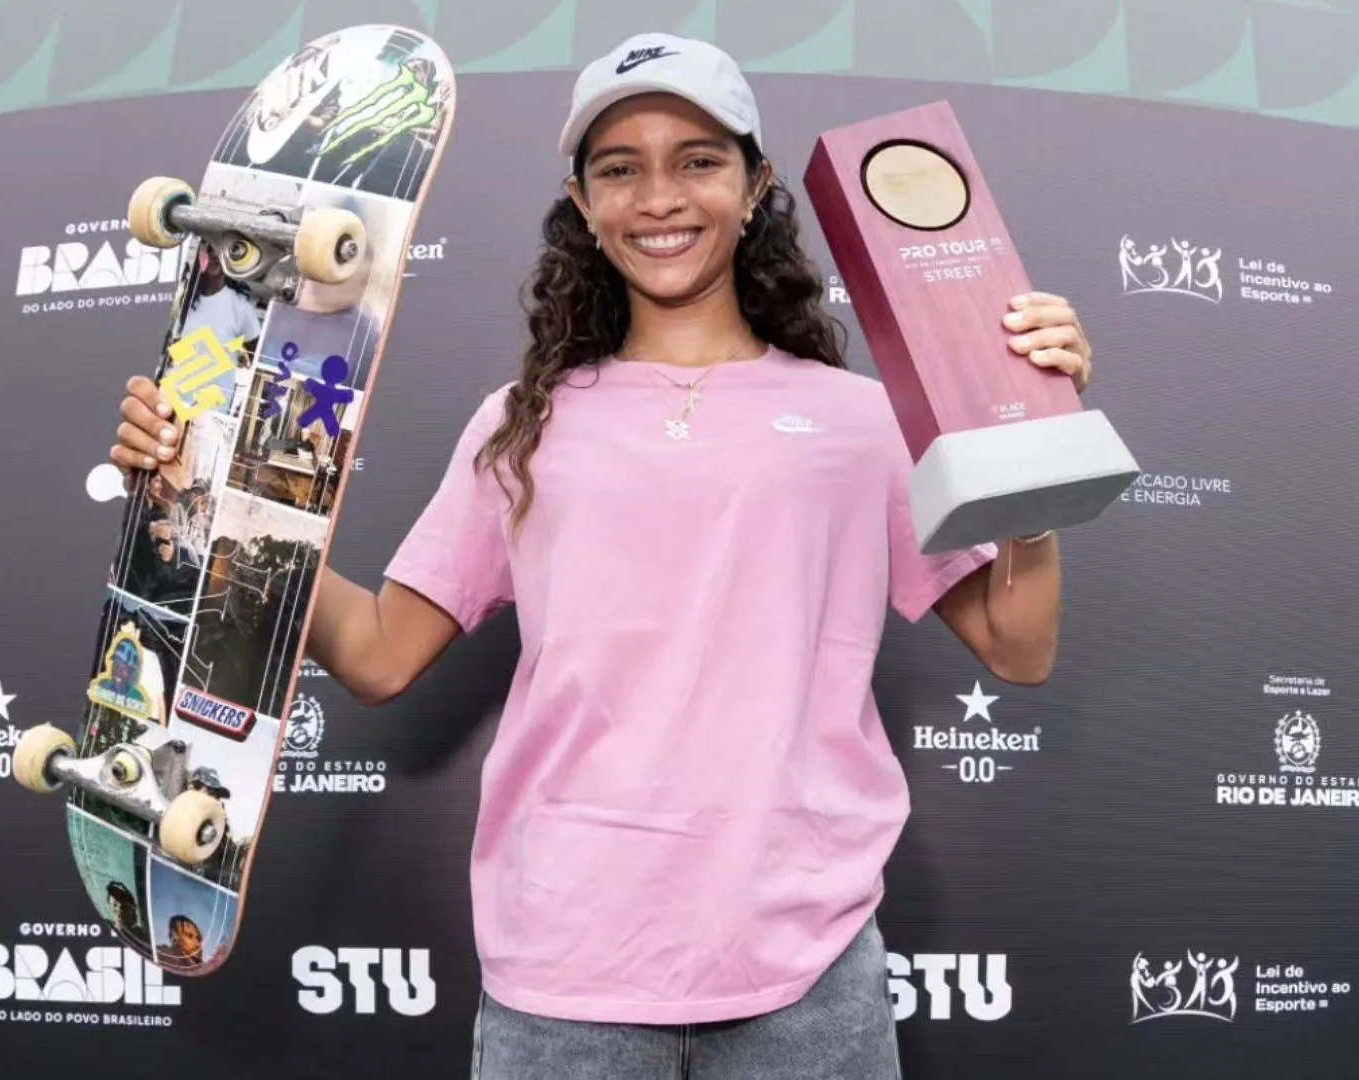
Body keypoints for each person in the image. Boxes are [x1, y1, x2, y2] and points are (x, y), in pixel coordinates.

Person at [109, 32, 1094, 1079]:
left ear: (756, 186)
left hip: (807, 977)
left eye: (698, 161)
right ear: (582, 203)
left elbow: (1019, 646)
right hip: (563, 977)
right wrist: (212, 501)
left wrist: (1031, 431)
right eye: (620, 169)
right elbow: (380, 654)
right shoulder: (522, 424)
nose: (659, 198)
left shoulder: (861, 421)